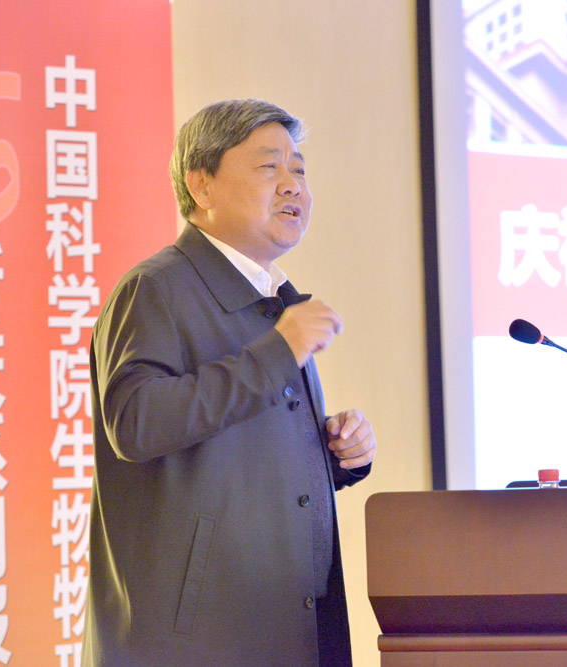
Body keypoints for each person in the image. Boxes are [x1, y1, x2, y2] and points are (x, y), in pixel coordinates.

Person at [81, 99, 377, 666]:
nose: (292, 184)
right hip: (200, 641)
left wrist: (337, 452)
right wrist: (280, 352)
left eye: (299, 169)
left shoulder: (272, 299)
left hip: (291, 625)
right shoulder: (155, 289)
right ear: (202, 185)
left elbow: (232, 458)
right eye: (269, 166)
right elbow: (137, 424)